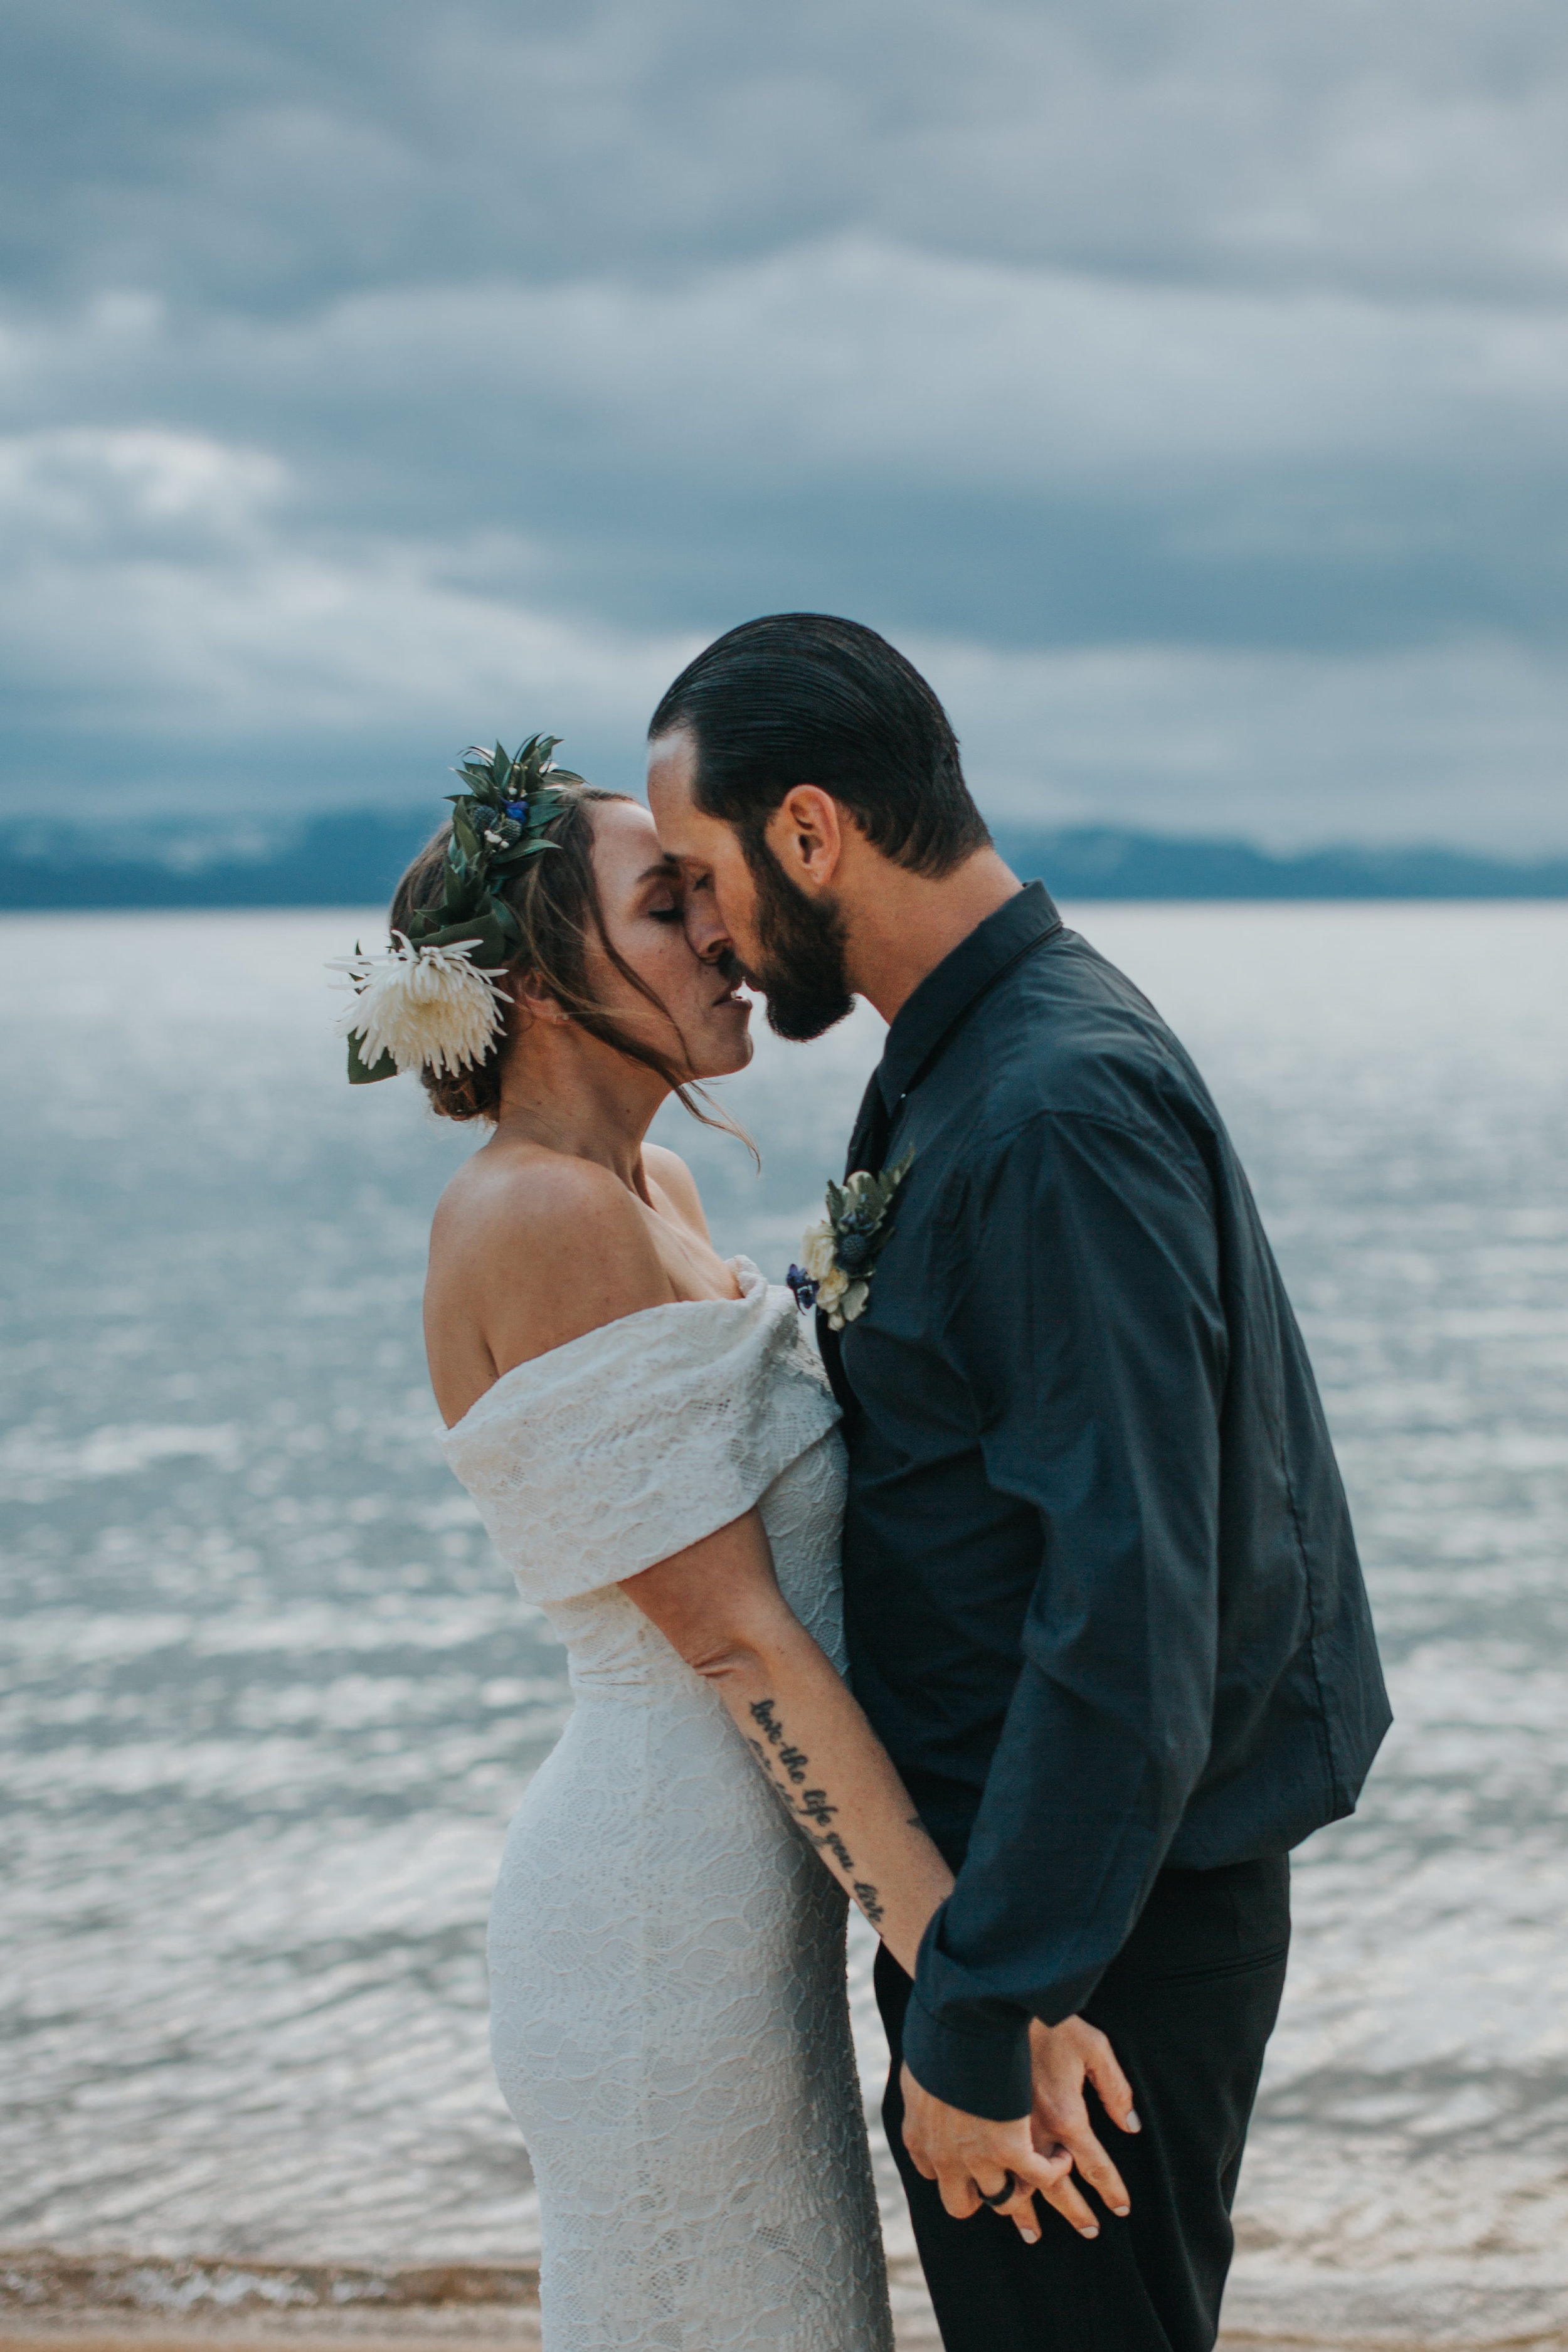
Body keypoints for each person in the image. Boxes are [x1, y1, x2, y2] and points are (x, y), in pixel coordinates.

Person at [646, 616, 1393, 2352]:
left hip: (1085, 1933)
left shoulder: (1046, 1107)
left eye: (705, 871)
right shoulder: (964, 1064)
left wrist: (989, 2006)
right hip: (1045, 1901)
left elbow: (1125, 1598)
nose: (711, 929)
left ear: (812, 831)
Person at [333, 738, 1123, 2352]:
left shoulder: (656, 1188)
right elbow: (735, 1637)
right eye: (666, 904)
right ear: (543, 985)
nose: (725, 931)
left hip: (752, 1918)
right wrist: (978, 2004)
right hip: (653, 1927)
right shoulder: (536, 1216)